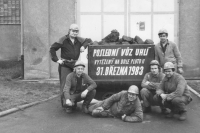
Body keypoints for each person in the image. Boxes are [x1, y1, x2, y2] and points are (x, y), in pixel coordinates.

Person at [49, 24, 92, 107]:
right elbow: (52, 48)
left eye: (77, 31)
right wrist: (57, 60)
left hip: (75, 65)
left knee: (75, 83)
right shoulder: (63, 39)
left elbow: (88, 40)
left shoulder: (79, 39)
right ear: (69, 31)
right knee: (65, 84)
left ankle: (73, 102)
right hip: (65, 65)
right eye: (73, 31)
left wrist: (83, 46)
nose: (75, 33)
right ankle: (65, 105)